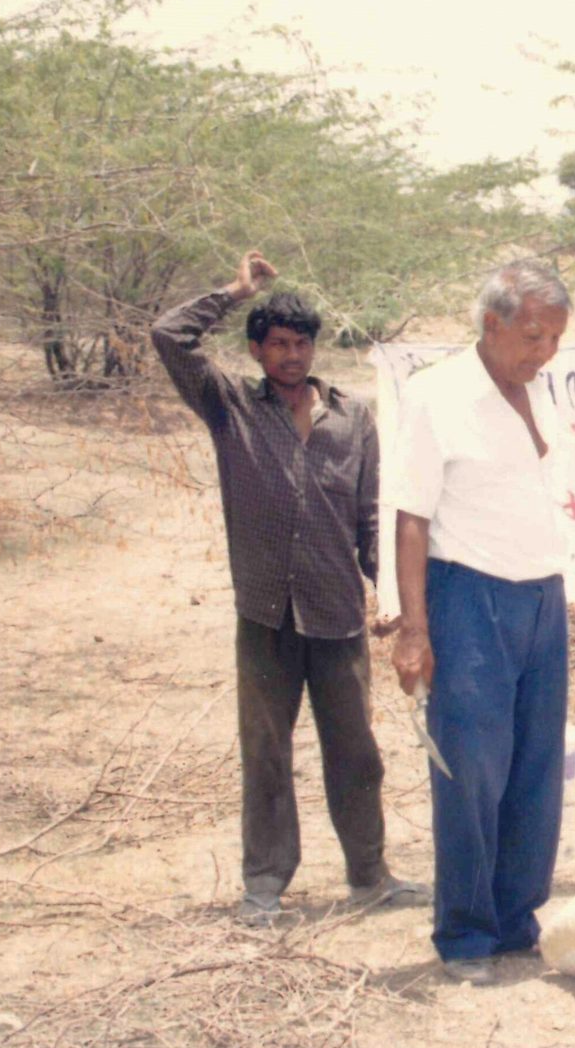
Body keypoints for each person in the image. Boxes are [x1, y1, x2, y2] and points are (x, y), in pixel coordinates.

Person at [150, 251, 429, 926]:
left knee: (356, 753)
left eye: (302, 343)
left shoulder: (352, 417)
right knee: (267, 754)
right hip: (266, 616)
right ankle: (265, 887)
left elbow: (368, 513)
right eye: (278, 343)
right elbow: (168, 336)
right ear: (256, 349)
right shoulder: (229, 408)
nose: (292, 355)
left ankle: (370, 874)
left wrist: (388, 592)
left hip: (336, 615)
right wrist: (235, 290)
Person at [391, 259, 574, 985]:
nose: (544, 353)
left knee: (537, 766)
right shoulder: (438, 395)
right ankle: (465, 934)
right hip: (468, 596)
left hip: (542, 598)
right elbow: (411, 517)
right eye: (533, 336)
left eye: (556, 339)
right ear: (492, 323)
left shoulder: (541, 390)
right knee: (471, 768)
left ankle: (514, 919)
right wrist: (414, 628)